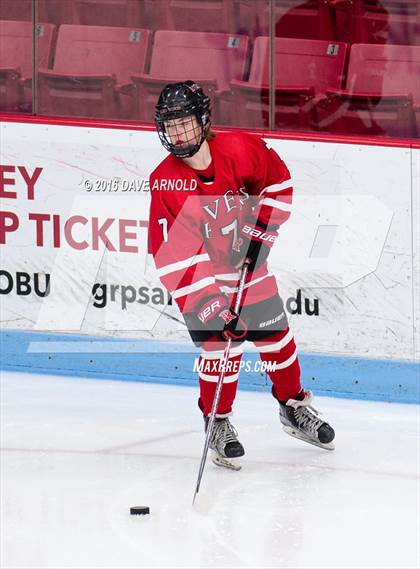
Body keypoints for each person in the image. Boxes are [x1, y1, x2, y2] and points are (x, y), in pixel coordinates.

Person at [148, 80, 335, 470]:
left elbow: (277, 182)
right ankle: (217, 422)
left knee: (278, 341)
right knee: (221, 351)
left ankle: (292, 407)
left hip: (249, 269)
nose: (179, 133)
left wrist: (262, 232)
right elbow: (173, 257)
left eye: (185, 122)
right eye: (171, 125)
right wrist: (213, 307)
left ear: (203, 121)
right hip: (204, 279)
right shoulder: (165, 182)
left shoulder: (239, 149)